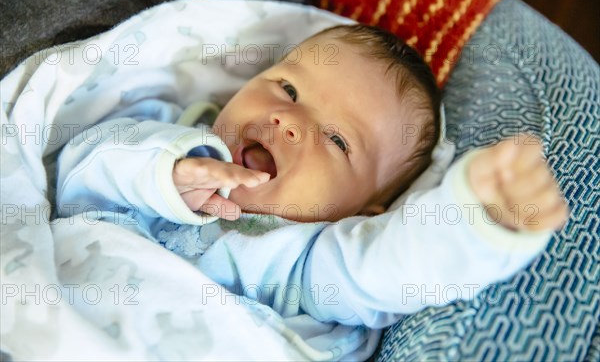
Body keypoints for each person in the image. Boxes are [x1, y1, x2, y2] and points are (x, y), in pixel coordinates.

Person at [55, 24, 568, 357]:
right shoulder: (168, 136)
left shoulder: (302, 261)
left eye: (340, 140)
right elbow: (77, 174)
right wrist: (165, 176)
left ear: (365, 210)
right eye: (289, 89)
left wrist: (475, 218)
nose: (290, 120)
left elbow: (392, 269)